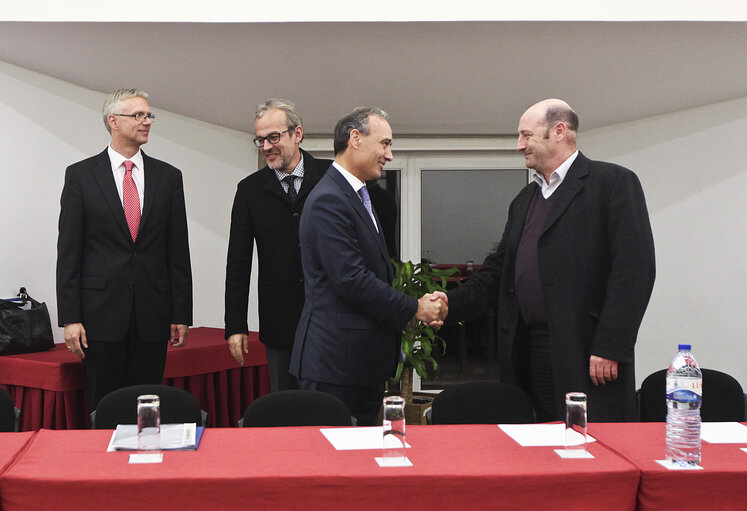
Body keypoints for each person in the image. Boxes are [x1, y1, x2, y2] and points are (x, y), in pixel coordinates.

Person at [443, 99, 655, 422]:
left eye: (526, 135)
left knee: (591, 451)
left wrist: (611, 345)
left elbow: (635, 271)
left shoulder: (612, 184)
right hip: (529, 351)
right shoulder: (523, 201)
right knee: (541, 449)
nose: (519, 146)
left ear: (559, 131)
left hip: (587, 353)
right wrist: (446, 305)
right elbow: (497, 274)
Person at [290, 107, 447, 425]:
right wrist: (415, 307)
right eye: (385, 143)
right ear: (356, 139)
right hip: (334, 365)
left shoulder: (357, 195)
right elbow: (351, 279)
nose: (389, 155)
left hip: (358, 365)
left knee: (360, 466)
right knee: (333, 468)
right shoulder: (329, 199)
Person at [57, 88, 193, 412]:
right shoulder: (81, 176)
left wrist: (181, 313)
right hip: (99, 317)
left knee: (147, 407)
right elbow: (69, 252)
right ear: (113, 121)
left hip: (153, 315)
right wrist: (70, 318)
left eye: (149, 115)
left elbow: (178, 252)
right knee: (105, 407)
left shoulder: (169, 177)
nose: (147, 121)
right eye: (138, 115)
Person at [224, 98, 331, 392]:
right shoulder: (249, 190)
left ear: (297, 134)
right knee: (287, 415)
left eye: (274, 137)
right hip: (279, 322)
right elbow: (238, 261)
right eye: (261, 140)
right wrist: (235, 325)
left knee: (329, 413)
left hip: (329, 320)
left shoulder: (331, 178)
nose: (267, 146)